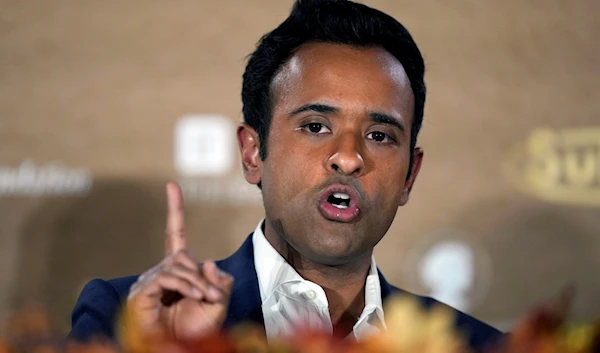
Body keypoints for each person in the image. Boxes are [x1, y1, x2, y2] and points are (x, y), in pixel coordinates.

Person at [68, 0, 504, 350]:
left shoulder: (474, 345)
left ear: (409, 174)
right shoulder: (127, 322)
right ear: (253, 151)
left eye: (379, 135)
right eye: (316, 126)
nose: (348, 158)